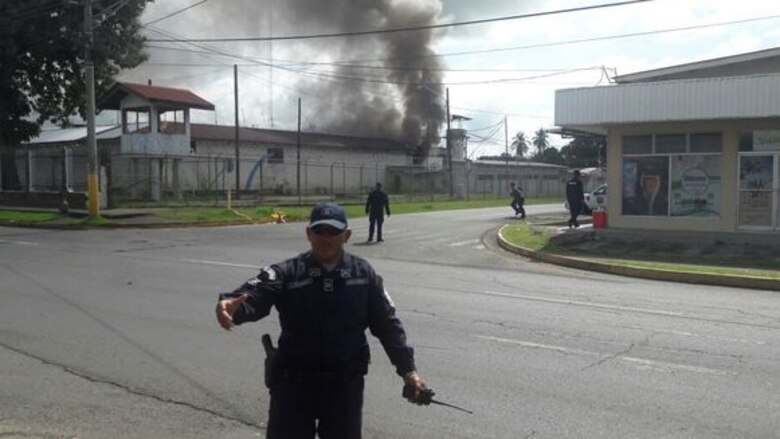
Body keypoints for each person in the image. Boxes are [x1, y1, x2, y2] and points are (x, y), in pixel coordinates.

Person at [215, 202, 426, 439]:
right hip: (293, 388)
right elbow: (256, 293)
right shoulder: (288, 272)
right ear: (308, 234)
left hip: (343, 390)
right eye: (320, 231)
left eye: (333, 232)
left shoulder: (363, 275)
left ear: (346, 236)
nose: (326, 239)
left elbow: (387, 325)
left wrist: (408, 371)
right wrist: (233, 307)